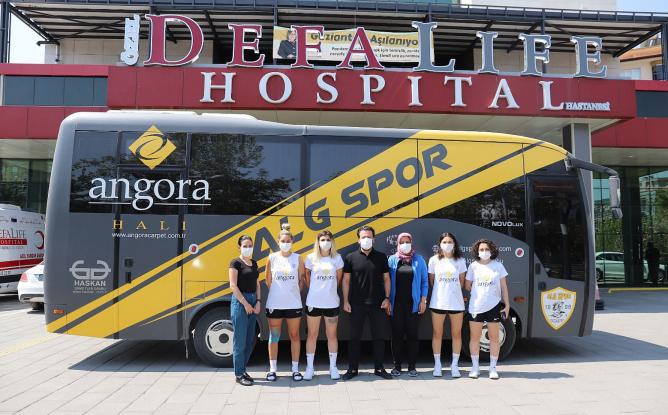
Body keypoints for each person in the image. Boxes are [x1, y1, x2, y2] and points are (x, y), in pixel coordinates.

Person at [341, 225, 392, 380]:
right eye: (363, 237)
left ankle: (379, 368)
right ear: (358, 240)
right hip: (356, 304)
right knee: (354, 338)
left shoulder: (381, 257)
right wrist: (345, 301)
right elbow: (346, 281)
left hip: (378, 304)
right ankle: (352, 369)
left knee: (379, 338)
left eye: (369, 237)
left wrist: (387, 298)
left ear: (374, 239)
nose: (366, 239)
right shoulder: (350, 257)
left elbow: (387, 279)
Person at [465, 239, 510, 380]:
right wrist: (479, 293)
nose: (484, 252)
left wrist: (507, 305)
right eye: (481, 249)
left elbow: (504, 287)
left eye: (487, 249)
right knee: (474, 338)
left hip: (494, 306)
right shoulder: (473, 266)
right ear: (477, 251)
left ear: (492, 251)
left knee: (494, 338)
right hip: (476, 307)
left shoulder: (498, 266)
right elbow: (467, 285)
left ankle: (493, 368)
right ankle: (475, 368)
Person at [265, 223, 305, 382]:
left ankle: (295, 370)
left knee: (294, 335)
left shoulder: (298, 258)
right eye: (283, 241)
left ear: (292, 241)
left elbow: (301, 280)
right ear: (278, 241)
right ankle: (272, 370)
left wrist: (292, 293)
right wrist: (278, 292)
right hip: (274, 304)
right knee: (274, 336)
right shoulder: (272, 258)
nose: (286, 243)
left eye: (288, 241)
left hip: (293, 304)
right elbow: (268, 280)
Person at [303, 230, 344, 380]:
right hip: (313, 302)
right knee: (312, 334)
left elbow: (339, 280)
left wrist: (328, 290)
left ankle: (333, 367)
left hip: (331, 303)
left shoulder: (337, 258)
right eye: (322, 240)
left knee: (332, 335)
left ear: (332, 242)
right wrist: (316, 289)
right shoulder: (310, 258)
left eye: (328, 239)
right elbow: (306, 276)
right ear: (318, 242)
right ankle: (309, 368)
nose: (325, 242)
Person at [387, 232, 428, 377]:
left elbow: (424, 282)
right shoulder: (392, 260)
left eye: (407, 241)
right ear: (398, 244)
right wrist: (387, 300)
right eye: (402, 242)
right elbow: (386, 281)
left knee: (412, 336)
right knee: (396, 336)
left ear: (411, 243)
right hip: (396, 305)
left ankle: (412, 367)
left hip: (413, 305)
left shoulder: (419, 260)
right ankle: (397, 366)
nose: (405, 244)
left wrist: (423, 300)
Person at [428, 232, 467, 378]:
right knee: (437, 333)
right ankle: (437, 364)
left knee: (456, 334)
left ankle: (454, 365)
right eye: (444, 242)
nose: (447, 244)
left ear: (454, 244)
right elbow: (432, 281)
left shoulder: (460, 261)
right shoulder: (433, 260)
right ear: (440, 244)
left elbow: (461, 282)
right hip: (438, 302)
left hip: (456, 303)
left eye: (450, 242)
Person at [229, 235, 262, 386]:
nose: (248, 248)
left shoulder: (254, 263)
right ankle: (239, 374)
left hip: (253, 300)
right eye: (245, 245)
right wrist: (245, 304)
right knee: (240, 341)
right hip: (240, 302)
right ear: (239, 247)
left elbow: (257, 284)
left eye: (250, 245)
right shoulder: (235, 263)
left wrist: (258, 302)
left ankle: (243, 369)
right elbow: (233, 285)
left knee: (249, 340)